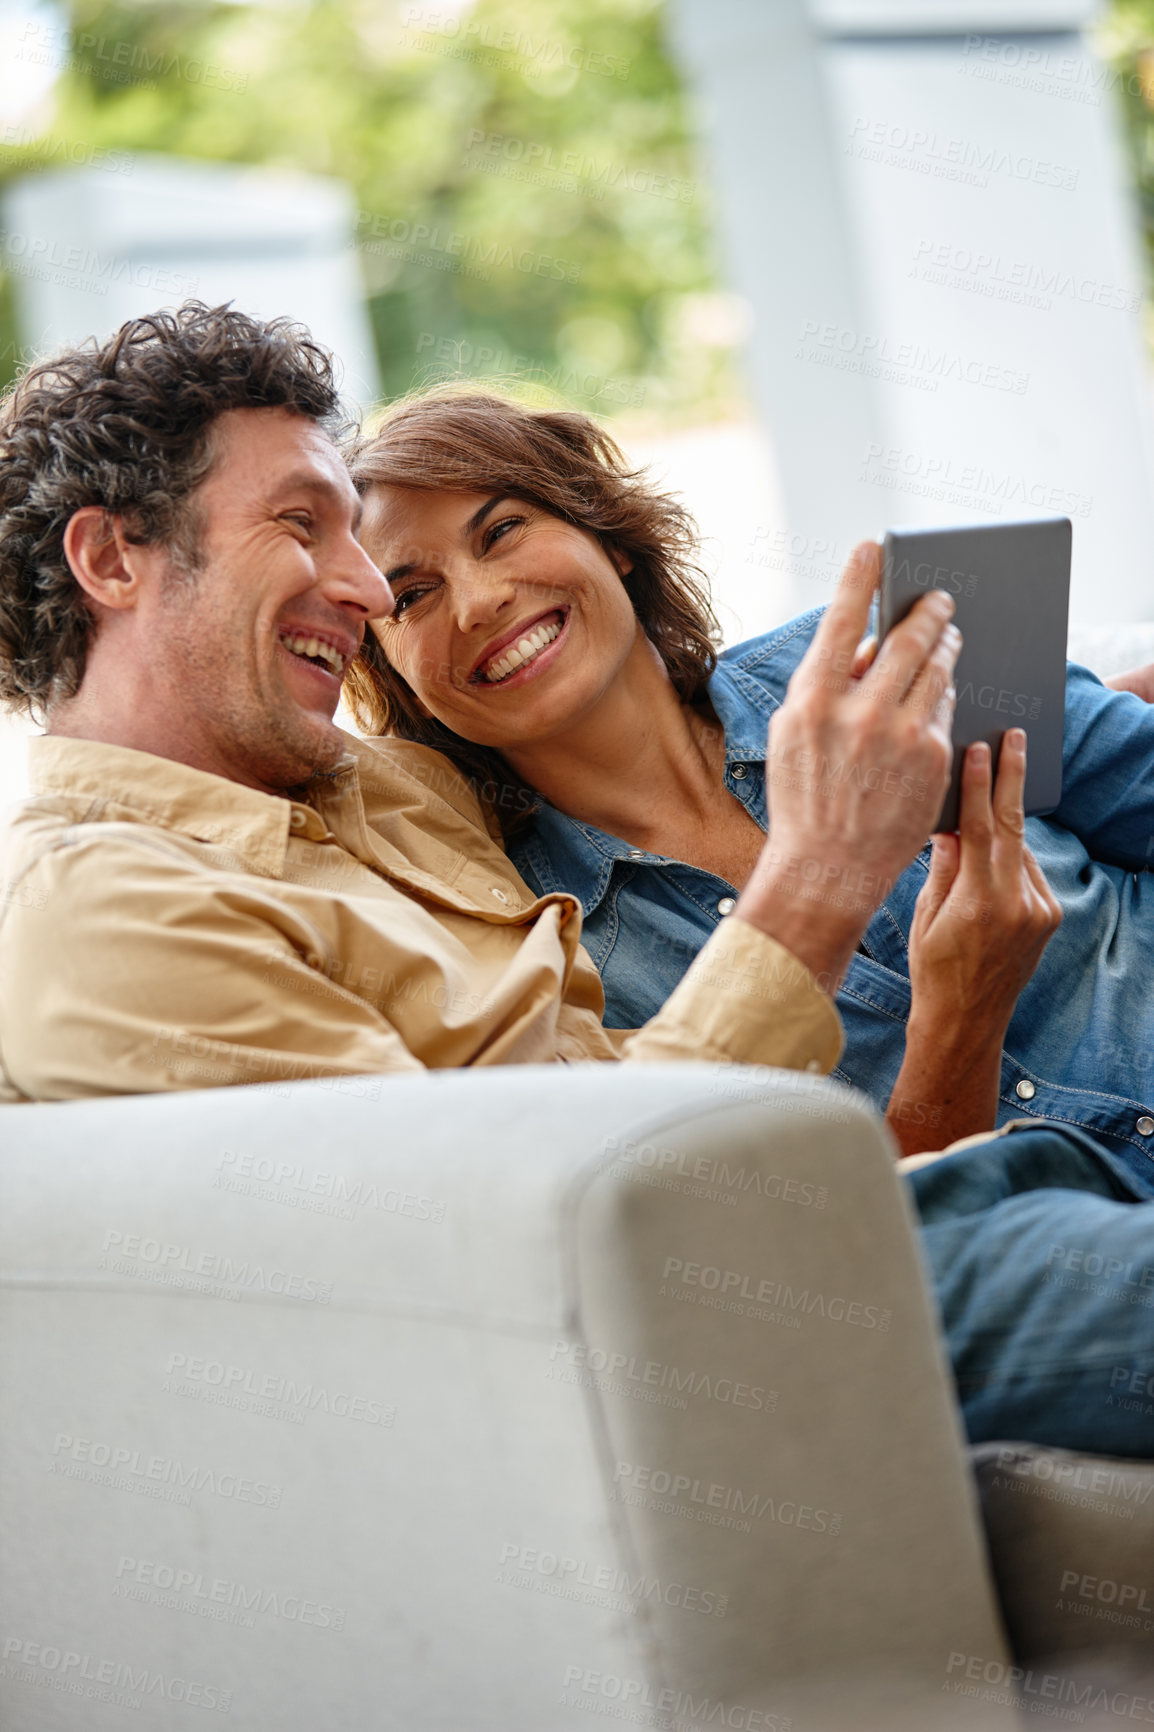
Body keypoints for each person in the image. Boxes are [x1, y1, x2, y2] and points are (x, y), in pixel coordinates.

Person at [0, 304, 1147, 1460]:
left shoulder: (368, 788)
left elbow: (622, 708)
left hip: (951, 1199)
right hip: (726, 1305)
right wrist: (824, 876)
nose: (365, 593)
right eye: (303, 525)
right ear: (108, 558)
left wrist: (1077, 699)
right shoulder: (107, 914)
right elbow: (532, 1250)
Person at [346, 389, 1154, 1186]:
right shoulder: (555, 971)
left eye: (503, 530)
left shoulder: (877, 661)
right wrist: (959, 1022)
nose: (479, 602)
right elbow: (844, 1256)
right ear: (399, 679)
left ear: (608, 537)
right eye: (413, 597)